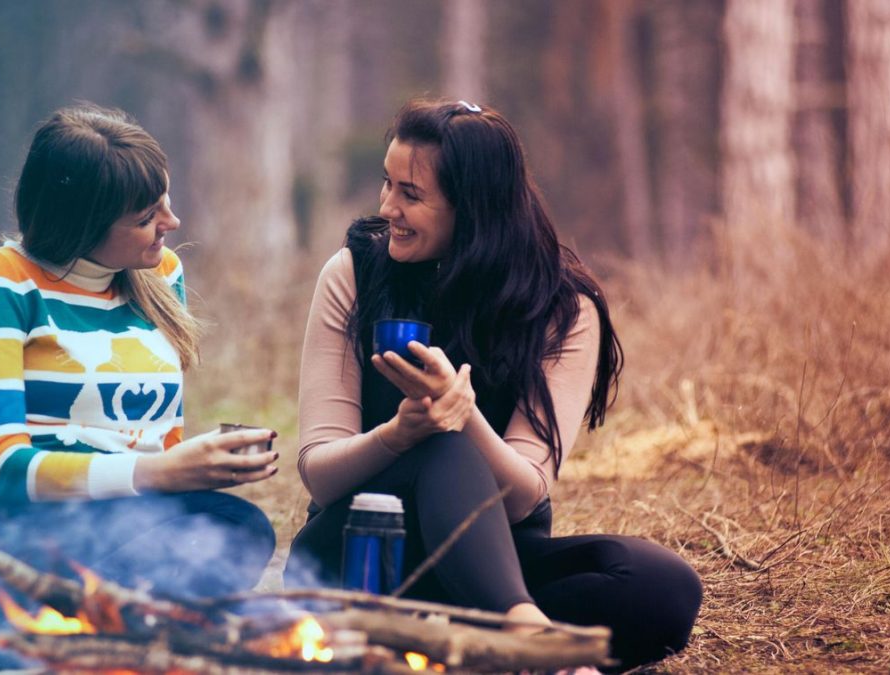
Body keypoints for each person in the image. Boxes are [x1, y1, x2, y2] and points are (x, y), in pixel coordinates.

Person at [284, 99, 702, 671]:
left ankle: (467, 642)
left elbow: (526, 491)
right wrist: (401, 434)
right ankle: (527, 639)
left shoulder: (563, 308)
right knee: (439, 446)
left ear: (473, 208)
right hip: (358, 555)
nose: (388, 207)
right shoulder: (354, 275)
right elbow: (321, 473)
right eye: (388, 184)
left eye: (411, 194)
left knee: (662, 585)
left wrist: (464, 414)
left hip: (492, 559)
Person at [0, 104, 279, 671]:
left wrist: (192, 469)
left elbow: (156, 439)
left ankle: (74, 649)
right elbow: (3, 472)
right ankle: (5, 649)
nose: (171, 222)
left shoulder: (160, 274)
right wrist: (158, 474)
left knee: (236, 527)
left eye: (166, 202)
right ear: (83, 223)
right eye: (148, 214)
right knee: (163, 553)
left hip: (100, 529)